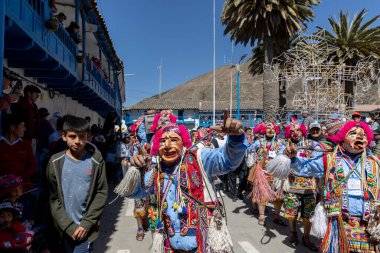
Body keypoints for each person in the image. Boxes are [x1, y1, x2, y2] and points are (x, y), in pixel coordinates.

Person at [120, 116, 248, 252]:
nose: (168, 146)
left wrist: (235, 139)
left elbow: (227, 161)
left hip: (204, 245)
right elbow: (133, 192)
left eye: (174, 140)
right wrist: (134, 169)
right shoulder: (156, 169)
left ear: (184, 144)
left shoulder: (199, 157)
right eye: (163, 141)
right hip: (171, 246)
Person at [280, 120, 379, 253]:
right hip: (339, 222)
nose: (360, 137)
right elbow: (305, 167)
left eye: (364, 135)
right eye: (353, 134)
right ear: (342, 138)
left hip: (368, 225)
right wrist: (292, 159)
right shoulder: (330, 160)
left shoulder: (375, 163)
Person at [46, 116, 108, 253]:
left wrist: (86, 223)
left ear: (89, 137)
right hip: (61, 230)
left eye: (82, 136)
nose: (77, 141)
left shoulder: (96, 161)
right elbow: (53, 198)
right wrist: (68, 227)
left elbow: (101, 192)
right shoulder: (55, 162)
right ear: (64, 136)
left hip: (85, 231)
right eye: (72, 136)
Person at [281, 121, 320, 251]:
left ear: (302, 131)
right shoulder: (284, 145)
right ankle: (293, 234)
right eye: (292, 131)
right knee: (291, 213)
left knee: (308, 215)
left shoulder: (312, 145)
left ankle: (306, 237)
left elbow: (318, 164)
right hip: (292, 185)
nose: (295, 133)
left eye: (297, 130)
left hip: (309, 187)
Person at [247, 122, 287, 226]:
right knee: (262, 194)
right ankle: (261, 215)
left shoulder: (280, 143)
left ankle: (276, 216)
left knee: (278, 196)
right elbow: (249, 149)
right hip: (263, 172)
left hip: (276, 173)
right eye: (268, 129)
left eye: (272, 129)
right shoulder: (259, 142)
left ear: (275, 130)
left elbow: (282, 155)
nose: (270, 130)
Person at [0, 114, 36, 181]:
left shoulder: (26, 144)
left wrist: (19, 178)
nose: (25, 129)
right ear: (12, 128)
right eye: (22, 126)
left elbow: (32, 165)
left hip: (21, 184)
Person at [15, 85, 41, 152]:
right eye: (36, 94)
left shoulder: (34, 106)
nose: (38, 96)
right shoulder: (22, 106)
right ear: (29, 93)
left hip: (34, 139)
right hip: (24, 139)